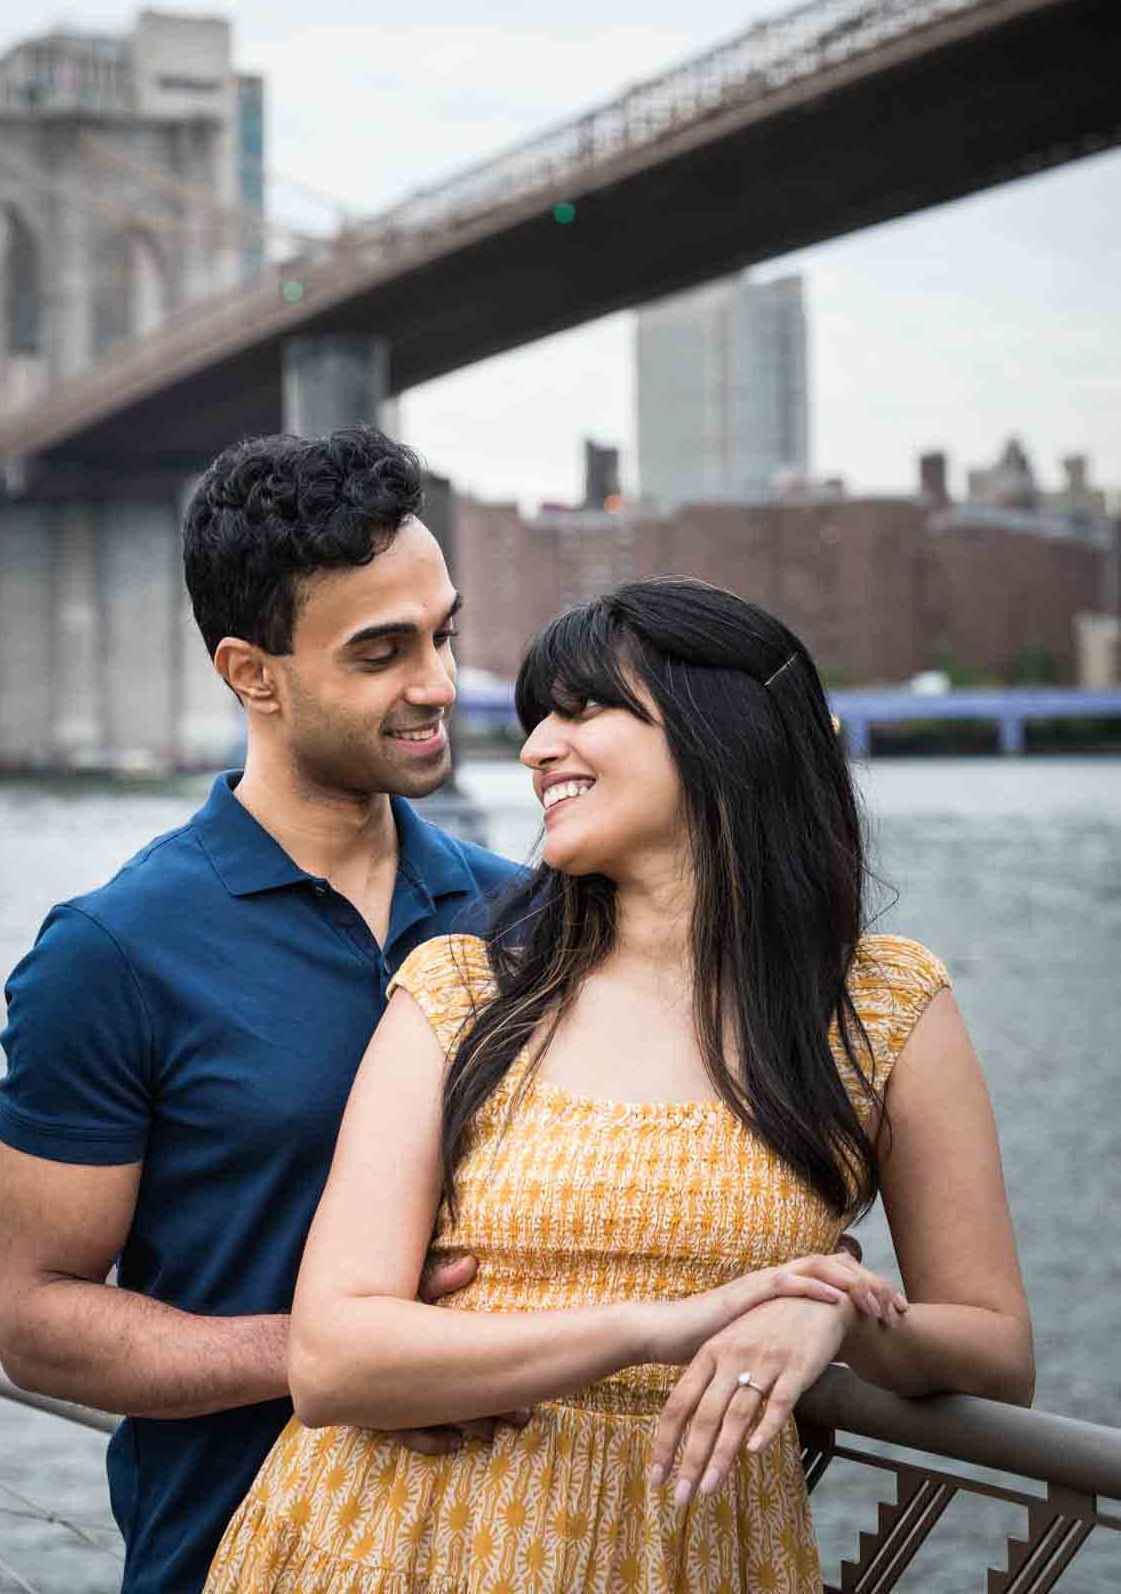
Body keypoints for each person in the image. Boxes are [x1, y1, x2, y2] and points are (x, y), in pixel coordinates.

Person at [204, 577, 1034, 1594]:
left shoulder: (882, 1003)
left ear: (719, 728)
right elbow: (331, 1358)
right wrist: (663, 1324)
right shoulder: (462, 990)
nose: (536, 746)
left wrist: (837, 1315)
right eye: (537, 716)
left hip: (686, 1556)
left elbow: (995, 1350)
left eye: (582, 707)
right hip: (390, 1545)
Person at [0, 427, 521, 1594]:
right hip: (234, 1558)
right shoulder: (111, 951)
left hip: (525, 1547)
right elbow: (33, 1318)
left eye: (442, 633)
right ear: (251, 673)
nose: (434, 681)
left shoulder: (527, 916)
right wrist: (342, 1354)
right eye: (380, 651)